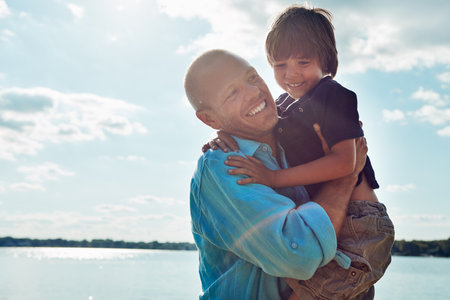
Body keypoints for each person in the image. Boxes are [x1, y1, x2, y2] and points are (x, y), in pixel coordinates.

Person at [206, 5, 394, 300]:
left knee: (314, 291)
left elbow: (346, 162)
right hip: (337, 219)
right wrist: (225, 133)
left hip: (361, 224)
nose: (291, 74)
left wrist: (273, 177)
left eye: (303, 62)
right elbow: (260, 123)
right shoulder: (285, 105)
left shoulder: (335, 96)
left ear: (325, 61)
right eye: (280, 65)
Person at [185, 49, 368, 299]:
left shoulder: (295, 136)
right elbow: (301, 255)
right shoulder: (224, 166)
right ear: (209, 119)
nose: (253, 92)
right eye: (232, 93)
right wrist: (345, 179)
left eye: (252, 77)